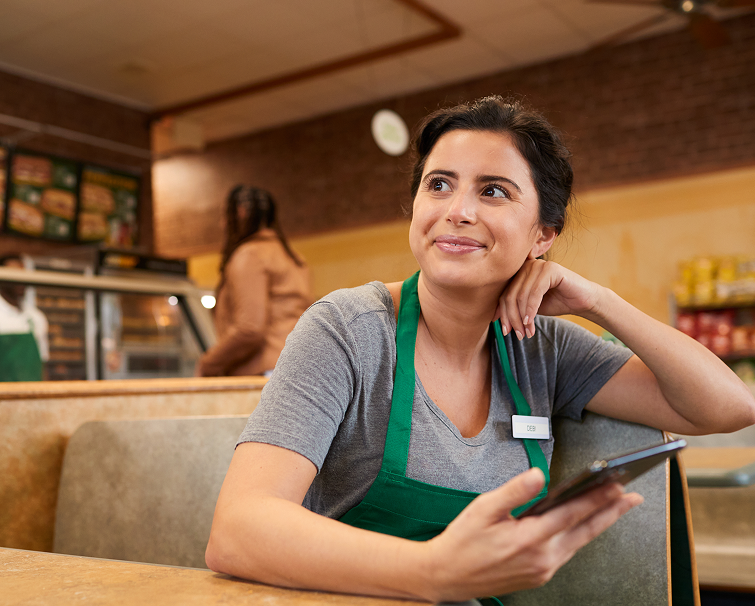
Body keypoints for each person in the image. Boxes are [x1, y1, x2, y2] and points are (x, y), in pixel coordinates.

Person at [205, 97, 755, 602]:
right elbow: (238, 530)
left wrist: (601, 302)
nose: (457, 210)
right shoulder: (348, 329)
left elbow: (728, 407)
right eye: (438, 184)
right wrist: (431, 570)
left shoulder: (544, 349)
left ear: (543, 235)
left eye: (493, 190)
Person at [197, 186, 311, 377]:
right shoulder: (294, 258)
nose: (222, 224)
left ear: (240, 212)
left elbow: (249, 329)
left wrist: (208, 364)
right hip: (297, 368)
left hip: (265, 373)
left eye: (225, 215)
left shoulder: (249, 255)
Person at [0, 255, 49, 381]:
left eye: (24, 277)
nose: (21, 282)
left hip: (33, 397)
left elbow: (42, 366)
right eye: (15, 277)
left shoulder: (36, 317)